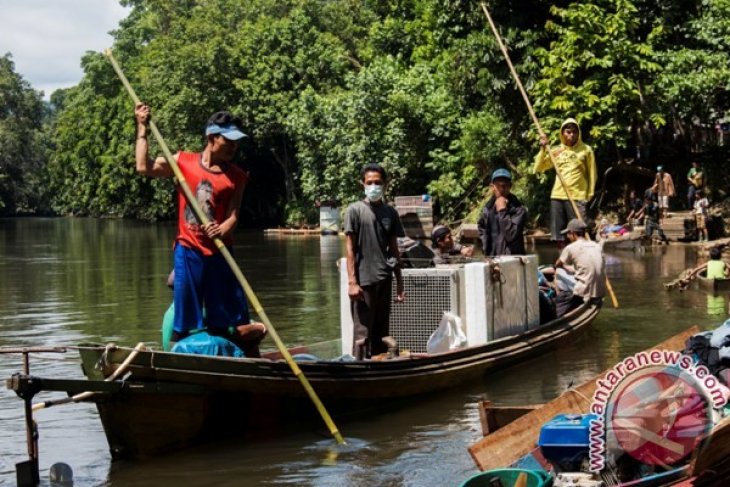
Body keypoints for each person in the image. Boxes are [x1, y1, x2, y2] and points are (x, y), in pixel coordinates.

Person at [134, 103, 266, 356]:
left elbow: (234, 216)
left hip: (220, 251)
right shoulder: (184, 162)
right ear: (211, 138)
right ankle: (188, 358)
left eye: (236, 142)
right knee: (188, 322)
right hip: (189, 249)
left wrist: (223, 230)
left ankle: (244, 358)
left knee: (230, 319)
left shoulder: (237, 176)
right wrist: (142, 128)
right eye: (228, 141)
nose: (233, 147)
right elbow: (143, 167)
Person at [344, 163, 405, 360]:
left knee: (382, 332)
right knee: (362, 334)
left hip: (384, 279)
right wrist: (352, 282)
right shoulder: (354, 211)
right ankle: (359, 371)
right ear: (362, 184)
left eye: (377, 182)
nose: (373, 186)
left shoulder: (390, 213)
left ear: (384, 184)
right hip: (364, 283)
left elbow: (393, 250)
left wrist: (399, 282)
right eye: (369, 182)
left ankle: (379, 369)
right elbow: (350, 249)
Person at [534, 118, 597, 247]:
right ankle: (562, 260)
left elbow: (592, 173)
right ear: (562, 133)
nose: (571, 135)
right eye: (568, 132)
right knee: (559, 235)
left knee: (578, 232)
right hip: (557, 196)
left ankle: (581, 260)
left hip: (577, 195)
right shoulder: (556, 151)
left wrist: (590, 194)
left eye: (574, 132)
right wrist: (543, 149)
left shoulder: (586, 150)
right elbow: (538, 168)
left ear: (578, 133)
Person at [554, 219, 606, 314]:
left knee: (557, 271)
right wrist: (572, 269)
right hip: (600, 292)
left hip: (583, 292)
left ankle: (561, 300)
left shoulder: (570, 247)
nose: (567, 236)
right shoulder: (596, 246)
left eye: (568, 233)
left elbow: (558, 264)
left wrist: (563, 267)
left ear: (573, 233)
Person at [477, 168, 527, 256]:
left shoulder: (518, 209)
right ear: (492, 187)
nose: (502, 189)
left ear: (510, 186)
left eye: (505, 185)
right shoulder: (488, 208)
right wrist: (485, 246)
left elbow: (511, 235)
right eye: (498, 185)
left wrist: (502, 211)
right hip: (492, 257)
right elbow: (481, 227)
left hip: (511, 259)